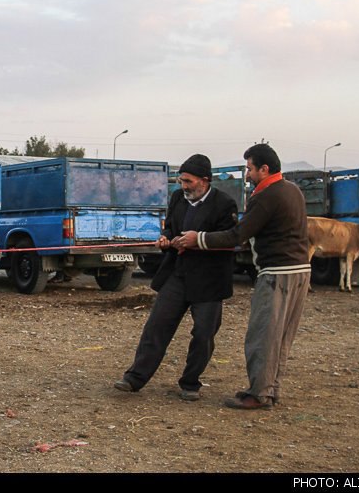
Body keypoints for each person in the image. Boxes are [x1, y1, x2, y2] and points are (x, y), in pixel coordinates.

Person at [175, 143, 311, 410]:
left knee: (263, 335)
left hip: (277, 274)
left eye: (249, 168)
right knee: (282, 337)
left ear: (264, 169)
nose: (246, 174)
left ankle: (258, 393)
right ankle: (270, 389)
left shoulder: (267, 196)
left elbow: (237, 235)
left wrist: (197, 238)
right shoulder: (293, 190)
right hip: (301, 271)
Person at [114, 154, 238, 401]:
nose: (184, 186)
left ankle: (190, 383)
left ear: (204, 181)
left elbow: (231, 239)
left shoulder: (225, 204)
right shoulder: (177, 198)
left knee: (203, 334)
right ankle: (134, 378)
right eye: (181, 181)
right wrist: (166, 239)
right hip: (178, 274)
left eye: (188, 182)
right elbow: (170, 227)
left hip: (210, 281)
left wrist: (197, 240)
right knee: (157, 326)